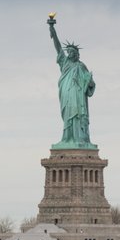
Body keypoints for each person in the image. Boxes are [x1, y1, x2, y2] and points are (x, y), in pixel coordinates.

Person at [47, 15, 96, 148]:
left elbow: (90, 83)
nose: (70, 53)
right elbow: (57, 46)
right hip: (67, 92)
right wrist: (52, 28)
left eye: (72, 52)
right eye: (68, 51)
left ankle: (81, 138)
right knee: (68, 114)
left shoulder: (81, 66)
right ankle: (67, 138)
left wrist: (90, 83)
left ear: (77, 53)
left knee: (79, 115)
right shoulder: (65, 62)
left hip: (78, 95)